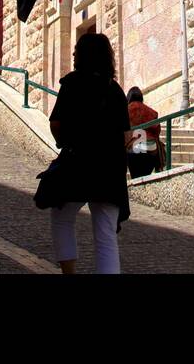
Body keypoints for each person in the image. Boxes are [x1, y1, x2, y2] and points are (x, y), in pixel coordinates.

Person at [47, 32, 131, 275]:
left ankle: (69, 273)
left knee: (62, 217)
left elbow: (56, 124)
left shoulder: (72, 83)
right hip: (109, 170)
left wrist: (65, 142)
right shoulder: (115, 90)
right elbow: (126, 135)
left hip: (77, 164)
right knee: (105, 235)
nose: (72, 55)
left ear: (83, 55)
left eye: (76, 51)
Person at [126, 86, 162, 178]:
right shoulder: (152, 112)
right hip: (152, 151)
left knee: (135, 178)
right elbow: (157, 131)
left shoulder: (126, 111)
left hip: (133, 151)